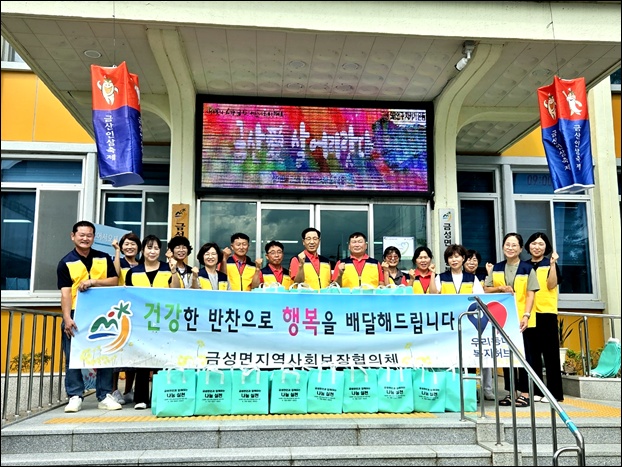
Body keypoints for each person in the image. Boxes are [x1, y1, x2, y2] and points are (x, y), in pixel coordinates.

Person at [57, 220, 121, 413]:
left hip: (102, 313)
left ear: (94, 237)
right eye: (81, 235)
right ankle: (75, 395)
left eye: (89, 235)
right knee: (73, 355)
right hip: (76, 313)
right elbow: (65, 293)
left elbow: (114, 280)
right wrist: (67, 318)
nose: (85, 238)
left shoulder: (104, 257)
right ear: (73, 236)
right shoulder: (65, 262)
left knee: (105, 352)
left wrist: (93, 282)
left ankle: (104, 395)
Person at [485, 232, 539, 408]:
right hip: (504, 320)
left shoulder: (527, 268)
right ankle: (511, 392)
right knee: (506, 356)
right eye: (507, 244)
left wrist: (526, 315)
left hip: (523, 319)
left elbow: (531, 294)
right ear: (503, 247)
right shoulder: (497, 268)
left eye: (514, 245)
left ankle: (525, 393)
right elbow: (485, 289)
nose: (510, 248)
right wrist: (500, 288)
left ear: (520, 249)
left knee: (525, 356)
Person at [125, 234, 175, 409]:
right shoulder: (133, 272)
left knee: (162, 359)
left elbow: (177, 290)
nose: (152, 251)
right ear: (143, 250)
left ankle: (159, 396)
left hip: (164, 321)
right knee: (143, 358)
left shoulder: (167, 269)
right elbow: (129, 296)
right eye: (149, 247)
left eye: (156, 248)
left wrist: (174, 271)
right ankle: (141, 398)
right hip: (141, 322)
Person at [525, 232, 564, 403]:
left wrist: (553, 264)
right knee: (532, 354)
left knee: (551, 354)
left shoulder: (549, 264)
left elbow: (551, 284)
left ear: (546, 247)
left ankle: (555, 393)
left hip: (546, 313)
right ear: (528, 246)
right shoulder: (524, 266)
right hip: (529, 313)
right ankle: (537, 391)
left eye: (541, 244)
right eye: (534, 243)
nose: (537, 247)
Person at [110, 232, 142, 405]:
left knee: (133, 352)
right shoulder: (118, 262)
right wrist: (116, 252)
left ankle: (128, 390)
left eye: (133, 244)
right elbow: (114, 275)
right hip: (119, 311)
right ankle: (114, 390)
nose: (130, 247)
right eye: (126, 244)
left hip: (137, 312)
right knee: (117, 351)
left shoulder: (142, 265)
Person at [464, 248, 494, 401]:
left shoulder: (483, 276)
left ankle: (487, 389)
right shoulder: (460, 277)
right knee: (467, 357)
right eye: (469, 259)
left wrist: (490, 274)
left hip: (484, 321)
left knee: (485, 356)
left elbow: (490, 291)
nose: (471, 262)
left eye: (475, 260)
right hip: (467, 321)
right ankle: (469, 390)